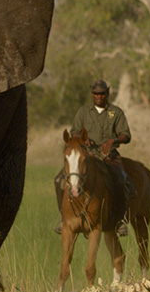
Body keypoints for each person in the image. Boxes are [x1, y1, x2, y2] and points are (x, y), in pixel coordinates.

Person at [54, 79, 134, 236]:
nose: (99, 96)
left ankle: (120, 220)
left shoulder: (116, 113)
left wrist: (114, 140)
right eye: (96, 93)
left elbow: (126, 135)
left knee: (122, 180)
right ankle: (64, 218)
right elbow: (74, 131)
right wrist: (83, 139)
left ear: (107, 94)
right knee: (59, 180)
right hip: (87, 156)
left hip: (108, 156)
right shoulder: (84, 111)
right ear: (92, 94)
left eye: (102, 93)